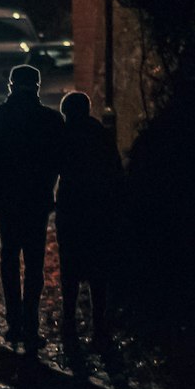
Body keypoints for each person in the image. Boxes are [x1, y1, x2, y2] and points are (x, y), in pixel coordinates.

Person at [0, 64, 64, 351]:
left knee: (9, 259)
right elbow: (62, 155)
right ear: (36, 86)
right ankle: (31, 324)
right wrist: (49, 180)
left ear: (10, 86)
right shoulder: (50, 118)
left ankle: (14, 324)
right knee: (34, 263)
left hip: (7, 198)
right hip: (37, 199)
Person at [55, 91, 124, 351]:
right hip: (98, 207)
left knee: (70, 267)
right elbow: (115, 169)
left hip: (71, 207)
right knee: (98, 269)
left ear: (66, 112)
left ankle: (69, 322)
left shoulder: (63, 136)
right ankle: (99, 326)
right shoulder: (101, 134)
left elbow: (55, 167)